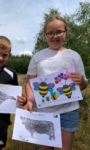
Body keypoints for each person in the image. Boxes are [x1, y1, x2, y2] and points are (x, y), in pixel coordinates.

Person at [25, 16, 88, 150]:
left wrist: (82, 81)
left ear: (66, 32)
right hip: (44, 111)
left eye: (59, 32)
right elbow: (30, 83)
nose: (55, 36)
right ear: (45, 34)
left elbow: (83, 85)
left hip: (68, 111)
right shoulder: (37, 57)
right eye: (50, 33)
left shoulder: (74, 56)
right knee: (47, 148)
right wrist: (30, 101)